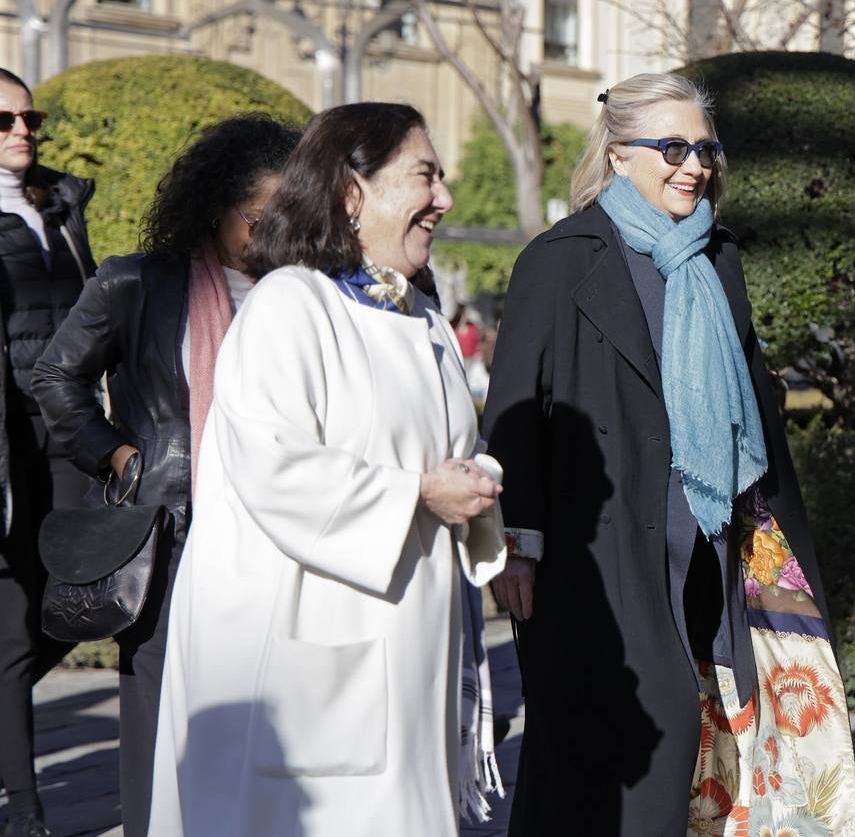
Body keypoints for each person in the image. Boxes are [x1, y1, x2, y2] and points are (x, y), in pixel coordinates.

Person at [483, 73, 855, 836]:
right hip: (603, 549)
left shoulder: (717, 256)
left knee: (713, 737)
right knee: (623, 743)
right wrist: (515, 545)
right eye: (674, 148)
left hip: (716, 543)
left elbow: (747, 391)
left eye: (706, 150)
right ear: (619, 156)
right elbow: (515, 412)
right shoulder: (560, 259)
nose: (695, 166)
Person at [146, 102, 507, 836]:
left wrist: (472, 486)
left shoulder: (421, 318)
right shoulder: (290, 306)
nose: (443, 199)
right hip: (303, 641)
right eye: (424, 176)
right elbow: (274, 468)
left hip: (407, 635)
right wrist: (416, 492)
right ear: (351, 192)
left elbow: (440, 453)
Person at [31, 114, 301, 837]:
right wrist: (118, 454)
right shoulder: (136, 283)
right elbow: (56, 376)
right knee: (159, 722)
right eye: (258, 218)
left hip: (281, 538)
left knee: (274, 716)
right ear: (214, 208)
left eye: (290, 217)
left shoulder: (308, 299)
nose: (276, 235)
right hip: (171, 530)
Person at [0, 67, 96, 837]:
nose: (23, 132)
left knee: (70, 601)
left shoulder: (62, 204)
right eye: (3, 123)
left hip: (65, 426)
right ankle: (25, 808)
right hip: (4, 438)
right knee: (10, 619)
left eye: (29, 119)